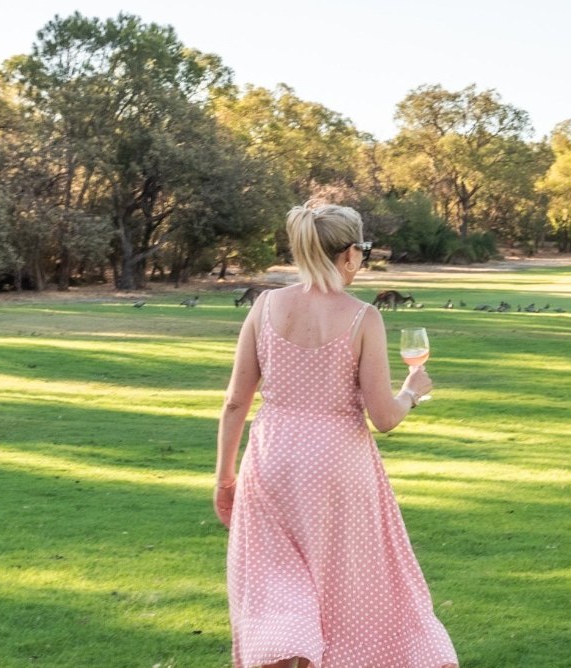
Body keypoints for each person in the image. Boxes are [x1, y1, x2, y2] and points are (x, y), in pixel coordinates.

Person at [214, 199, 454, 667]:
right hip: (338, 469)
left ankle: (287, 654)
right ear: (348, 255)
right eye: (363, 248)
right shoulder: (364, 317)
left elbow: (235, 401)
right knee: (343, 594)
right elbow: (383, 416)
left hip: (272, 461)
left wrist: (225, 475)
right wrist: (411, 391)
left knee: (276, 586)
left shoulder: (265, 306)